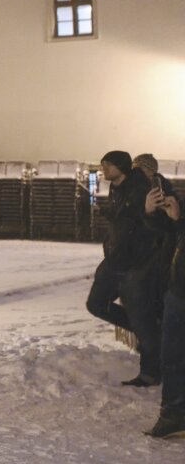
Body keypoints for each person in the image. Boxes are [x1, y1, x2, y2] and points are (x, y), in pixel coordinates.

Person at [86, 151, 169, 386]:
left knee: (143, 319)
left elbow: (157, 225)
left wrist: (144, 215)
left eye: (108, 165)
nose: (103, 170)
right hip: (115, 259)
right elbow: (124, 221)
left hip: (137, 265)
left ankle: (150, 372)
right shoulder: (118, 188)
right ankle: (152, 334)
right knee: (96, 304)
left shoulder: (147, 189)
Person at [145, 185, 185, 439]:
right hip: (179, 288)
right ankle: (174, 414)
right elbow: (169, 235)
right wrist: (154, 214)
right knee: (172, 356)